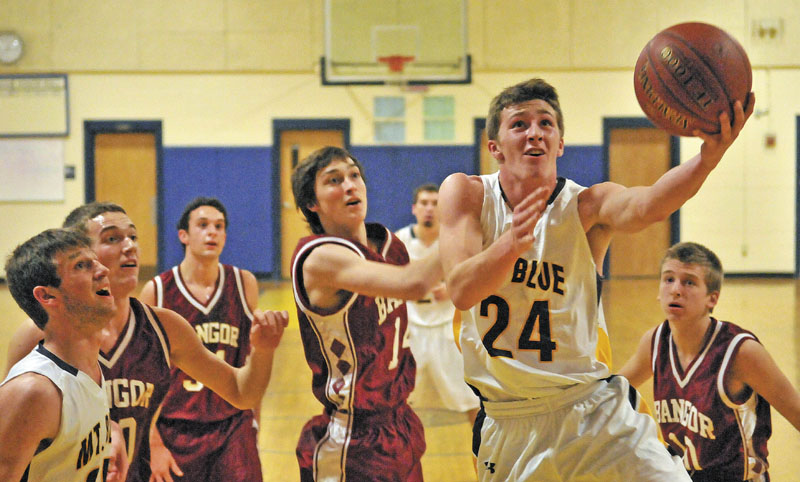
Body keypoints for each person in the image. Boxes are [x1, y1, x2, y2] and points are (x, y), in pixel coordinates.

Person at [437, 77, 753, 481]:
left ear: (560, 144)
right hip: (509, 419)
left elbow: (649, 205)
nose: (535, 132)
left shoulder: (586, 205)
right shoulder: (466, 194)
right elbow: (463, 290)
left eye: (546, 123)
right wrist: (512, 243)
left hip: (593, 408)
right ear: (493, 147)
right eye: (519, 124)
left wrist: (707, 159)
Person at [4, 202, 288, 482]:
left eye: (133, 236)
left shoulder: (155, 328)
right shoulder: (41, 357)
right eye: (112, 238)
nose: (129, 246)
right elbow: (20, 429)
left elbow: (241, 391)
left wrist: (263, 350)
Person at [290, 146, 443, 481]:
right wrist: (464, 221)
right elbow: (413, 284)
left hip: (401, 423)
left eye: (354, 175)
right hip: (354, 440)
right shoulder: (319, 258)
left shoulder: (390, 245)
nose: (350, 185)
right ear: (312, 203)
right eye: (334, 180)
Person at [618, 242, 800, 481]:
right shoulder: (655, 342)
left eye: (689, 282)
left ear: (712, 299)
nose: (675, 290)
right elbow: (610, 392)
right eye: (668, 279)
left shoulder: (741, 353)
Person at [138, 197, 265, 481]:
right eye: (203, 225)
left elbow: (250, 362)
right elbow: (141, 374)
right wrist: (153, 441)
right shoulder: (157, 291)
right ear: (183, 235)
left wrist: (255, 423)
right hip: (176, 427)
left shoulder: (243, 284)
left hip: (232, 424)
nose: (212, 232)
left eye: (219, 227)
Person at [0, 228, 128, 481]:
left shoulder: (86, 366)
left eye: (96, 262)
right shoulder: (34, 391)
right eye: (81, 265)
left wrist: (111, 431)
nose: (103, 271)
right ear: (47, 296)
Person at [395, 183, 479, 422]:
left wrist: (452, 289)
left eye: (435, 203)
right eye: (424, 203)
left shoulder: (456, 240)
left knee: (470, 400)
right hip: (411, 329)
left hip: (447, 328)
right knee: (398, 401)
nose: (429, 209)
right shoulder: (400, 241)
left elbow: (476, 279)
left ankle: (483, 456)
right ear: (414, 208)